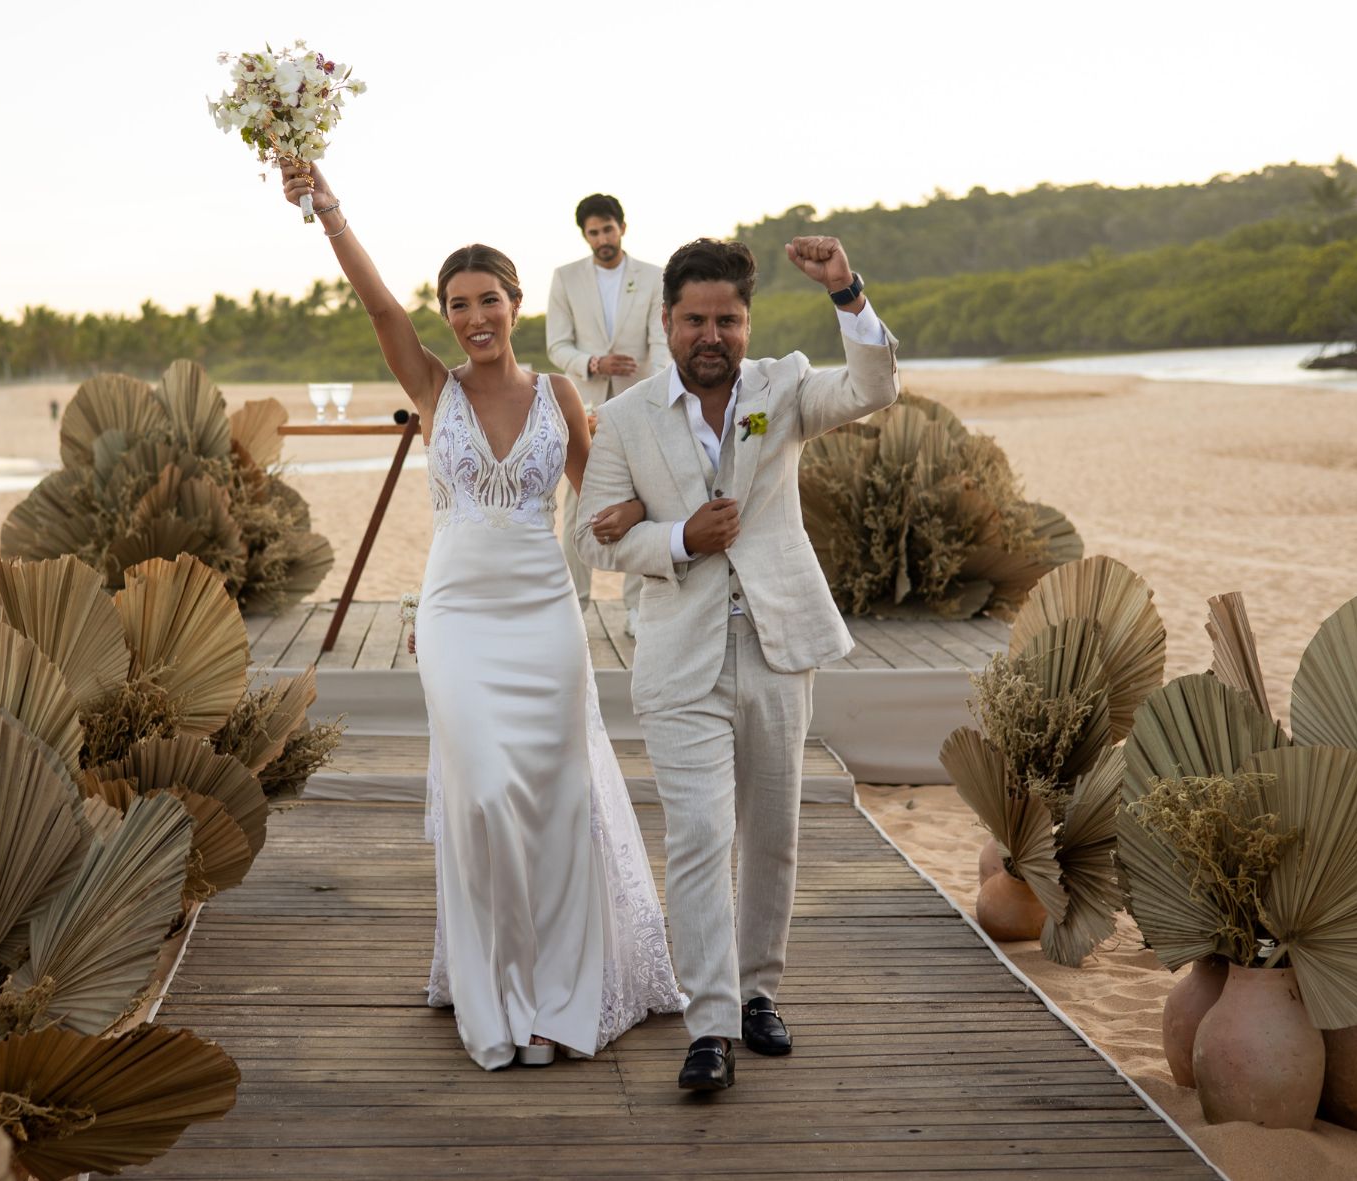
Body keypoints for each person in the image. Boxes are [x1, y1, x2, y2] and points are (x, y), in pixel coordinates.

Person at [280, 161, 681, 1071]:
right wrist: (329, 207)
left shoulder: (558, 396)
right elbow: (379, 306)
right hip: (458, 617)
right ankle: (496, 984)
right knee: (486, 793)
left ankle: (559, 1000)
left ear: (514, 302)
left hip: (546, 614)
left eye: (488, 299)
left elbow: (602, 499)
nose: (474, 318)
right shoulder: (434, 390)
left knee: (556, 799)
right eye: (457, 305)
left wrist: (671, 537)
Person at [574, 236, 899, 1091]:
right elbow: (588, 536)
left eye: (727, 319)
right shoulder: (630, 417)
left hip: (779, 644)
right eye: (693, 320)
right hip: (680, 660)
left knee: (772, 836)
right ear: (666, 322)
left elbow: (873, 386)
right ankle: (709, 1024)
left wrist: (846, 291)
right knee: (698, 837)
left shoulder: (783, 387)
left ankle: (760, 994)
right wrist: (681, 535)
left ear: (747, 321)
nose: (710, 335)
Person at [546, 194, 667, 633]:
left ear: (622, 227)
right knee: (579, 505)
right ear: (585, 235)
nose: (602, 239)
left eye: (608, 229)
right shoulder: (566, 278)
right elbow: (558, 345)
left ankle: (638, 608)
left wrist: (659, 394)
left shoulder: (654, 277)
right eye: (594, 232)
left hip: (642, 404)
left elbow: (662, 342)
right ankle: (573, 607)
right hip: (586, 408)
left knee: (644, 502)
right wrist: (595, 363)